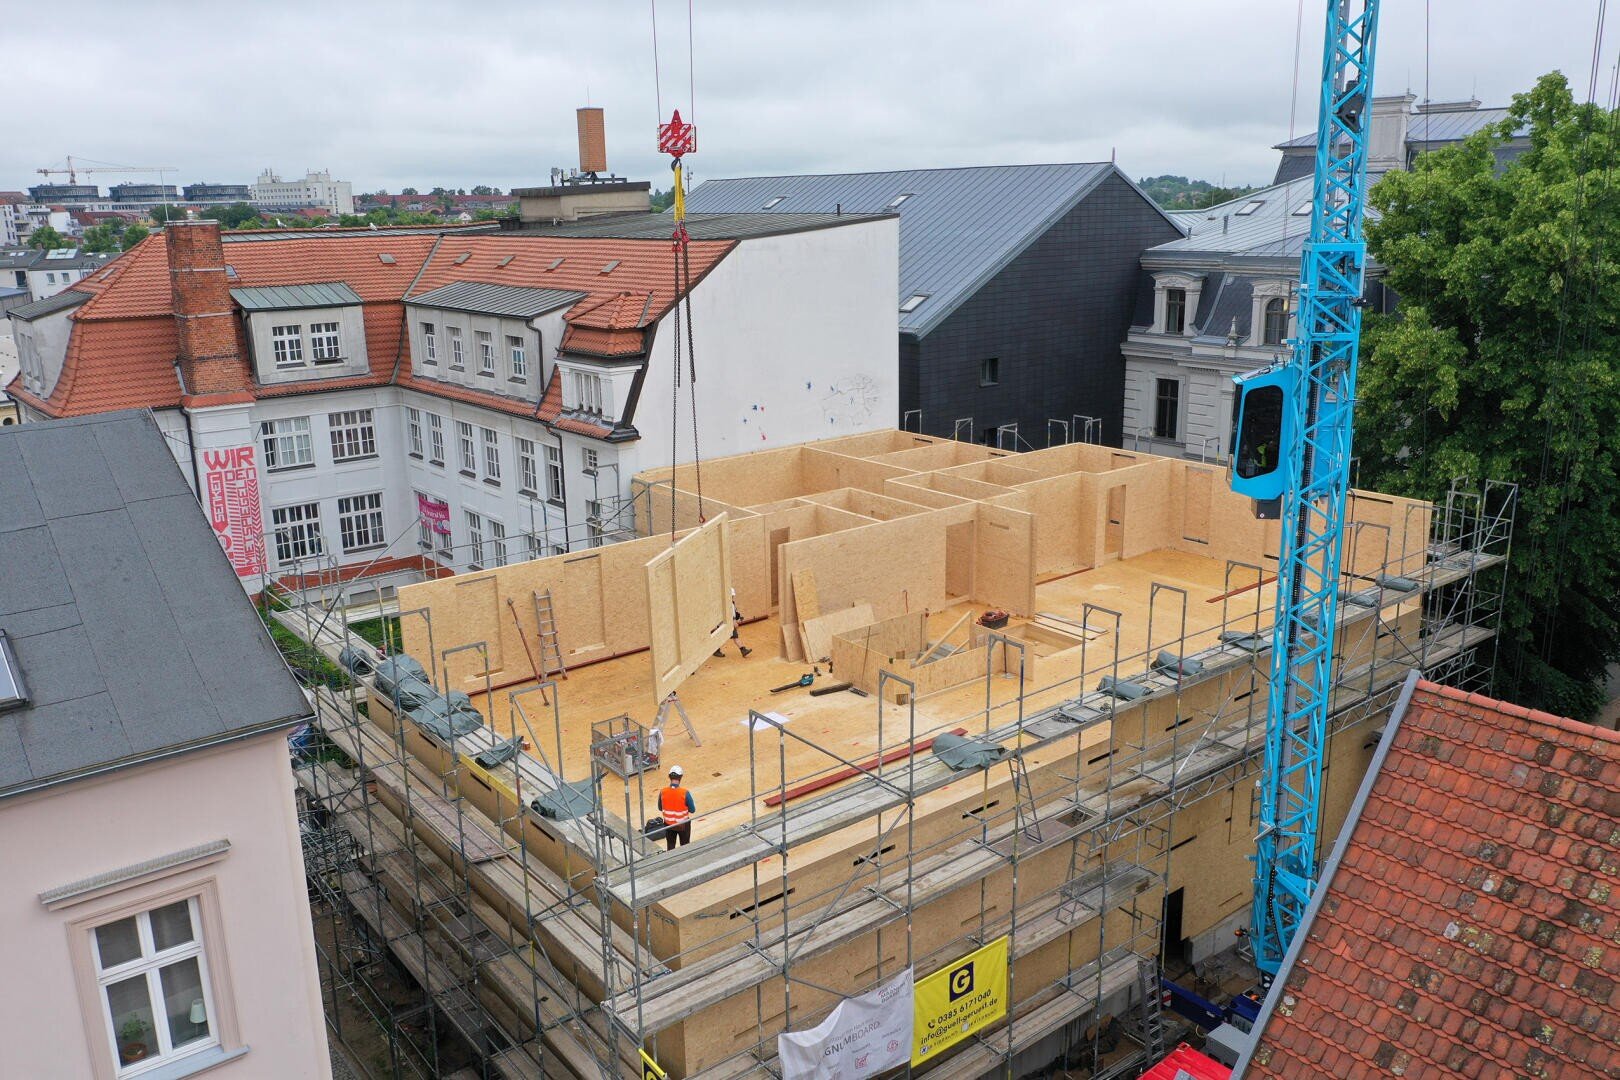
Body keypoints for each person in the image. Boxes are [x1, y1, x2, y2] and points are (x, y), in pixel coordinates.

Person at [658, 765, 695, 850]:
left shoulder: (662, 792)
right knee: (685, 846)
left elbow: (660, 808)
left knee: (670, 847)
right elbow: (692, 810)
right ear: (680, 777)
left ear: (669, 777)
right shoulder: (685, 793)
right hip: (683, 825)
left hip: (668, 825)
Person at [713, 588, 753, 658]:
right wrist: (734, 621)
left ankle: (743, 650)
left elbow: (734, 613)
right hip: (727, 624)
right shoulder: (728, 604)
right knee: (726, 638)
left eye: (732, 596)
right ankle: (742, 650)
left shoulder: (728, 603)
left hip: (726, 624)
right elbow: (731, 615)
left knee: (734, 637)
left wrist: (738, 618)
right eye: (731, 596)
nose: (732, 597)